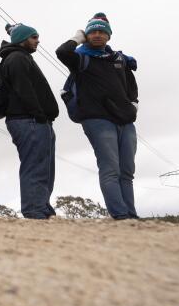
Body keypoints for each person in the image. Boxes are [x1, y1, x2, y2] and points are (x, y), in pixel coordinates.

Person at [56, 14, 139, 220]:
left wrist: (133, 106)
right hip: (97, 119)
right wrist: (78, 38)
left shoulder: (119, 59)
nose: (98, 35)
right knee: (111, 169)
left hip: (125, 120)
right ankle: (120, 216)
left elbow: (131, 86)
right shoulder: (81, 58)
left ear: (109, 36)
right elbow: (62, 52)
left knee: (127, 171)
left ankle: (131, 216)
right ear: (87, 35)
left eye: (102, 32)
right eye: (93, 32)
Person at [0, 23, 59, 219]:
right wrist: (39, 115)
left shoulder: (21, 57)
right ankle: (34, 210)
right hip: (29, 120)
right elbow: (23, 89)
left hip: (35, 121)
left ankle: (41, 207)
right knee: (35, 166)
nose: (38, 41)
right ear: (22, 39)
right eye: (34, 37)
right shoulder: (16, 58)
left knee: (45, 167)